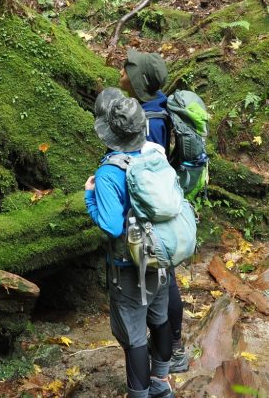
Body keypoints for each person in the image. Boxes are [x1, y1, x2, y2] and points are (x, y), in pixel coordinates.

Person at [86, 88, 175, 398]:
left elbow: (111, 226)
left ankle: (140, 394)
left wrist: (89, 196)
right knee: (160, 319)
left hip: (128, 266)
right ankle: (161, 382)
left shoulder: (109, 173)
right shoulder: (155, 155)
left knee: (135, 336)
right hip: (160, 256)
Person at [119, 50, 190, 374]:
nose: (121, 75)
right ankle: (168, 345)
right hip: (165, 198)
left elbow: (145, 166)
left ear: (138, 82)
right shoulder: (158, 103)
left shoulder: (149, 121)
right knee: (164, 276)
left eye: (127, 72)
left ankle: (174, 349)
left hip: (154, 205)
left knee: (166, 277)